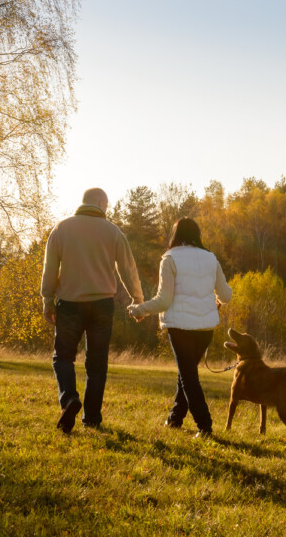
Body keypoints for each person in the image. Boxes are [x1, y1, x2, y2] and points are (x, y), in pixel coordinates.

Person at [40, 187, 144, 433]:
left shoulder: (61, 228)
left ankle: (69, 399)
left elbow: (50, 267)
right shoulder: (113, 231)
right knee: (97, 363)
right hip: (102, 305)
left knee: (63, 357)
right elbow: (128, 269)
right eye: (106, 206)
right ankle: (92, 417)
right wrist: (137, 299)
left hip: (69, 303)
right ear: (100, 202)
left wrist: (47, 299)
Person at [128, 217, 232, 437]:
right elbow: (225, 295)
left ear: (175, 234)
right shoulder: (211, 258)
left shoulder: (169, 258)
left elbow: (164, 300)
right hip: (205, 330)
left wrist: (139, 309)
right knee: (187, 373)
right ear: (197, 234)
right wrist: (214, 297)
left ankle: (205, 426)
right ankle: (175, 418)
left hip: (180, 328)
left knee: (188, 377)